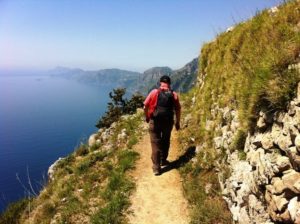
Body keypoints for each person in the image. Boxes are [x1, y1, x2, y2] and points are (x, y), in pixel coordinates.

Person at [143, 75, 181, 175]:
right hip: (168, 122)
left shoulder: (154, 92)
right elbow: (178, 109)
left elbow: (145, 106)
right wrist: (177, 122)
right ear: (169, 84)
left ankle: (156, 167)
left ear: (160, 83)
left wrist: (147, 117)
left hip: (155, 121)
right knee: (165, 140)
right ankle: (163, 160)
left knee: (155, 143)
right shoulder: (174, 94)